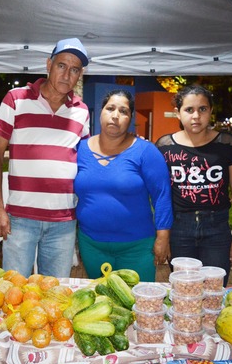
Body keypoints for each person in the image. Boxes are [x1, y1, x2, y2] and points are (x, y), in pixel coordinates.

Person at [0, 38, 90, 278]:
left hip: (64, 223)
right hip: (20, 220)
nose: (67, 74)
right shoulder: (16, 99)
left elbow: (84, 162)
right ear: (48, 65)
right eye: (62, 65)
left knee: (54, 296)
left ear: (79, 75)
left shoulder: (81, 111)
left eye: (74, 70)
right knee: (15, 293)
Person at [155, 84, 232, 286]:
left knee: (214, 291)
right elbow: (160, 194)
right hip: (179, 229)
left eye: (202, 109)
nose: (196, 115)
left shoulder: (226, 144)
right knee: (184, 291)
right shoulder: (164, 146)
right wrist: (163, 235)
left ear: (211, 111)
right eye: (189, 110)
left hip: (217, 229)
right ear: (178, 114)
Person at [74, 90, 173, 282]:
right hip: (92, 245)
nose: (115, 115)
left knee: (139, 304)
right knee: (101, 303)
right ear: (101, 112)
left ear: (130, 118)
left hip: (137, 248)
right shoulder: (80, 149)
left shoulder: (146, 151)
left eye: (123, 111)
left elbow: (162, 195)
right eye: (110, 108)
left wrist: (163, 237)